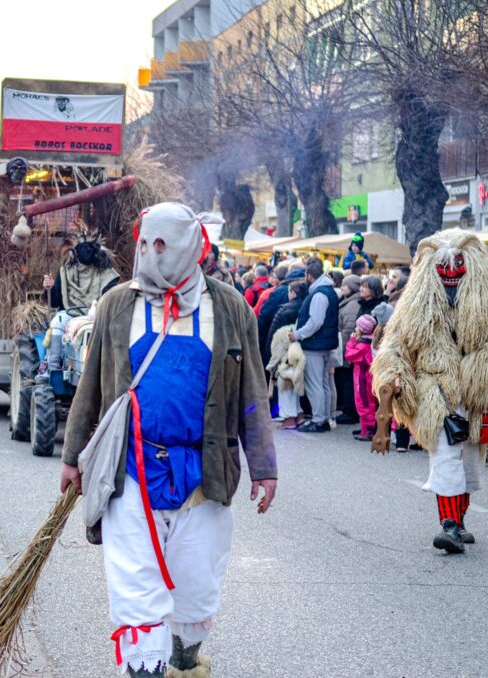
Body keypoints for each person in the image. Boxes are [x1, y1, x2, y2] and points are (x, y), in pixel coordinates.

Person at [59, 202, 277, 678]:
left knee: (196, 583)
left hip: (204, 469)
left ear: (190, 246)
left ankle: (183, 655)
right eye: (144, 244)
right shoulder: (118, 303)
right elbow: (91, 383)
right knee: (136, 584)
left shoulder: (230, 307)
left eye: (163, 244)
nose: (151, 254)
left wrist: (264, 466)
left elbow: (251, 391)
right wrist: (74, 456)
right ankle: (145, 669)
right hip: (130, 468)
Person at [372, 229, 488, 553]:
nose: (450, 273)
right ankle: (449, 525)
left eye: (458, 264)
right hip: (437, 392)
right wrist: (394, 378)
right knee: (446, 456)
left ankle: (459, 520)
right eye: (443, 265)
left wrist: (482, 368)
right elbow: (394, 345)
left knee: (471, 461)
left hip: (478, 397)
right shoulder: (415, 305)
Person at [42, 233, 119, 369]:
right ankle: (53, 367)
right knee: (57, 322)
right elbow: (55, 302)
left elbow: (110, 298)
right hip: (70, 313)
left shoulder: (106, 273)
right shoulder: (66, 271)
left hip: (97, 315)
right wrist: (50, 288)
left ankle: (110, 368)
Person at [289, 258, 339, 433]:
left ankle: (319, 420)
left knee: (315, 384)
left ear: (309, 276)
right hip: (324, 344)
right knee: (323, 383)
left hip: (315, 344)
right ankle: (323, 418)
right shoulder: (328, 291)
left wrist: (298, 334)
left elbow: (315, 322)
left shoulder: (319, 294)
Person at [268, 280, 309, 429]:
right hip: (299, 351)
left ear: (292, 293)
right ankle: (298, 414)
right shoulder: (305, 308)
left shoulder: (285, 310)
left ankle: (289, 418)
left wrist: (271, 355)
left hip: (285, 352)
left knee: (285, 385)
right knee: (294, 382)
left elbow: (275, 335)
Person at [335, 275, 363, 426]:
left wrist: (345, 350)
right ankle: (348, 409)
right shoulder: (349, 302)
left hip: (348, 348)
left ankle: (349, 411)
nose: (342, 288)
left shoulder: (352, 304)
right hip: (348, 347)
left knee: (348, 381)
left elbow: (348, 328)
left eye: (345, 285)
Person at [345, 314, 377, 441]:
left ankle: (369, 429)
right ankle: (365, 428)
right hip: (367, 376)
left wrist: (352, 341)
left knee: (363, 403)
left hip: (362, 378)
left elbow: (349, 355)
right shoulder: (371, 341)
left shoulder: (362, 345)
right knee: (369, 402)